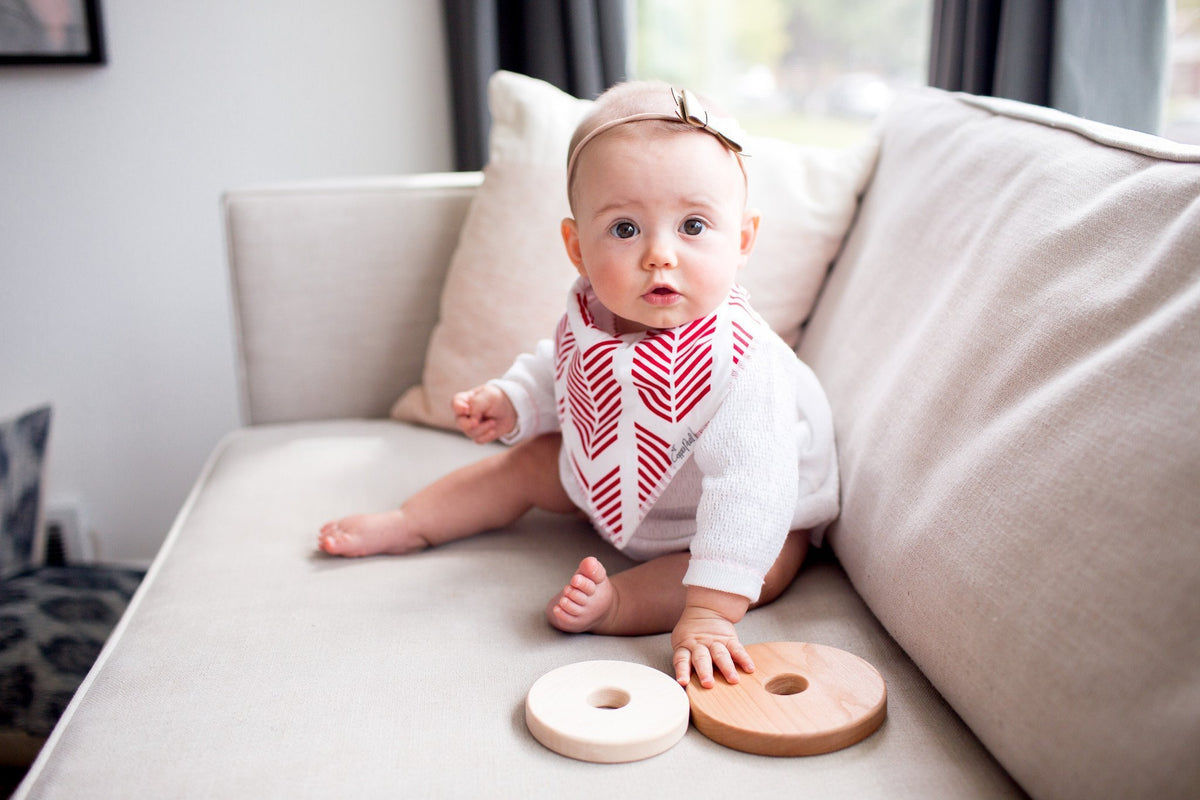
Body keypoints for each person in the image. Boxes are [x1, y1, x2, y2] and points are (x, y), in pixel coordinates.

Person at [318, 81, 839, 689]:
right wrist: (513, 401)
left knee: (764, 566)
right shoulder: (590, 315)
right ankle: (413, 522)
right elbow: (562, 364)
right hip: (609, 477)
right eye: (624, 230)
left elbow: (753, 488)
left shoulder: (744, 367)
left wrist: (711, 612)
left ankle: (620, 605)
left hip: (741, 514)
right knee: (526, 462)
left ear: (743, 241)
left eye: (694, 225)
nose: (659, 255)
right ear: (577, 248)